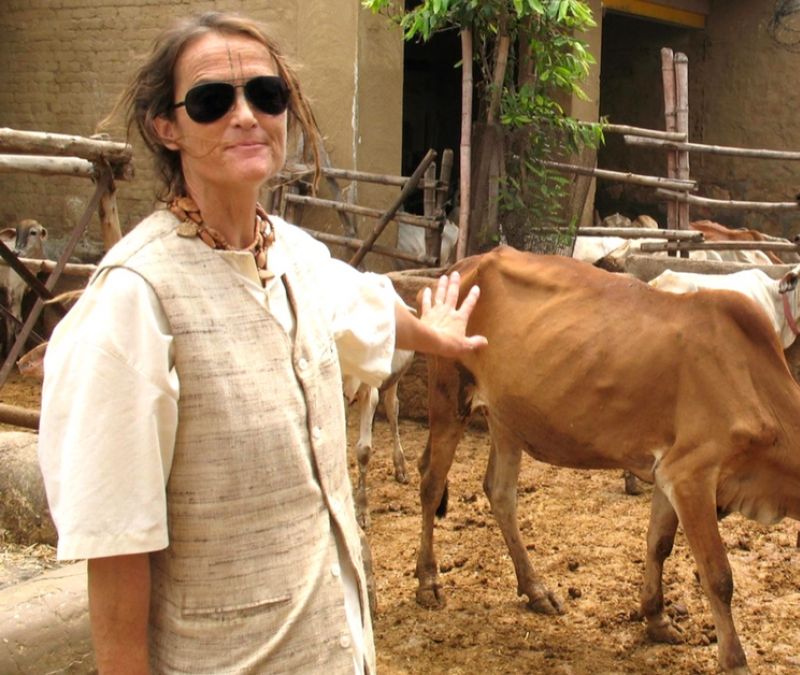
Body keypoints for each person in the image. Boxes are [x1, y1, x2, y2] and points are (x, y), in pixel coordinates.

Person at [37, 12, 486, 673]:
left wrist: (434, 333)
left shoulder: (294, 255)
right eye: (213, 101)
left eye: (266, 95)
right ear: (168, 127)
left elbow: (356, 310)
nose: (245, 115)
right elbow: (117, 547)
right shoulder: (134, 301)